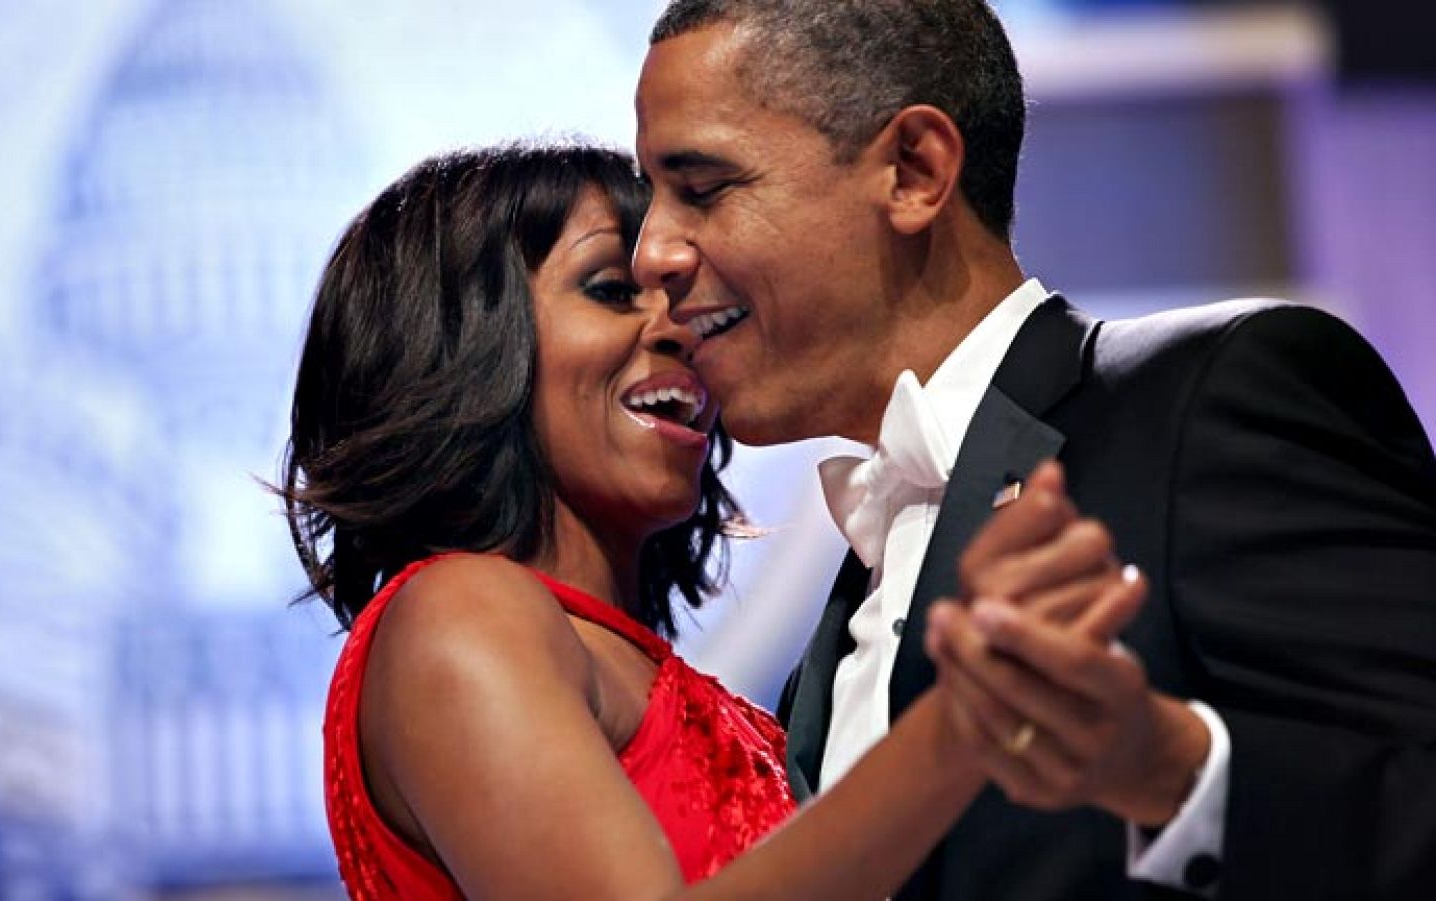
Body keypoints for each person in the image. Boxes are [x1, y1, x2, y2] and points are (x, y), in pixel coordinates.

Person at [631, 1, 1436, 899]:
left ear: (914, 170)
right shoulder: (835, 631)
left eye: (703, 189)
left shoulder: (1216, 394)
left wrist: (1173, 768)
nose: (650, 253)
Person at [279, 141, 1141, 899]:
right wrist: (961, 725)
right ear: (461, 345)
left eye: (682, 295)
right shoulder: (458, 613)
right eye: (612, 289)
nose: (680, 328)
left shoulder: (651, 668)